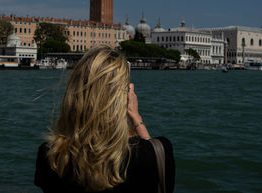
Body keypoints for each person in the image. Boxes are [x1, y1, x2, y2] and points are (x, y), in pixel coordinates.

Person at [35, 45, 175, 193]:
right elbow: (157, 164)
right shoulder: (156, 152)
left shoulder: (51, 156)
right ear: (124, 96)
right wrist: (136, 118)